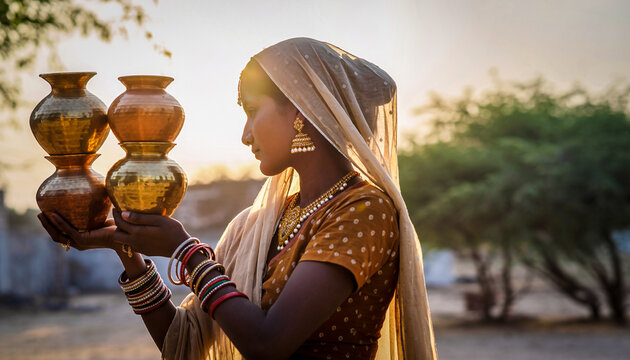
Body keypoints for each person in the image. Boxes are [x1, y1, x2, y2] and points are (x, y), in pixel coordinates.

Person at [37, 37, 437, 360]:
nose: (245, 135)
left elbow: (268, 344)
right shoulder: (263, 220)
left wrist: (186, 252)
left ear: (300, 112)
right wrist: (126, 250)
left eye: (252, 111)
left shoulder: (363, 210)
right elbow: (182, 344)